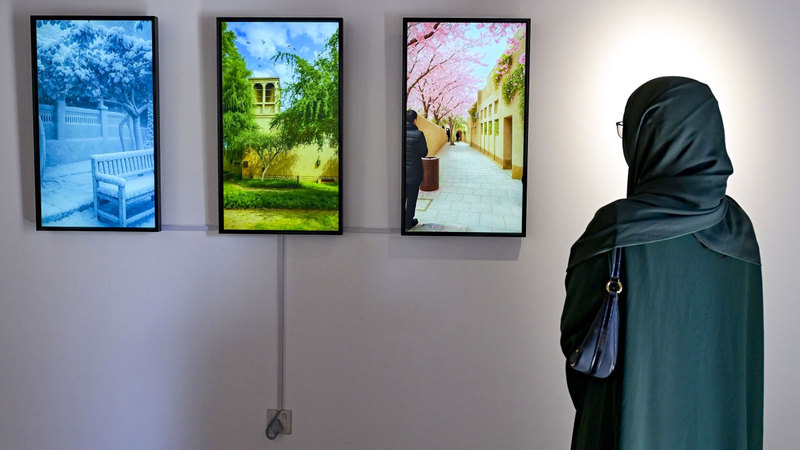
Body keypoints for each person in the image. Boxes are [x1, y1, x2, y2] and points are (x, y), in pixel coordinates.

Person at [560, 77, 763, 449]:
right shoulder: (741, 231)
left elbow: (578, 342)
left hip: (627, 426)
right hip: (718, 430)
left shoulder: (617, 227)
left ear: (649, 136)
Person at [405, 110, 429, 229]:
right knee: (411, 199)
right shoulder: (419, 134)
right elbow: (424, 153)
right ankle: (408, 222)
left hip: (400, 173)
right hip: (414, 173)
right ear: (415, 120)